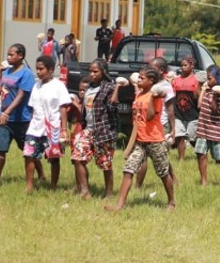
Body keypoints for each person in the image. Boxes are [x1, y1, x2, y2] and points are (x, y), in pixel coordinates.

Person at [106, 66, 176, 211]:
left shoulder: (155, 96)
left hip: (155, 141)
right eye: (139, 77)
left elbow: (150, 116)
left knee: (163, 172)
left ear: (151, 81)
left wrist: (153, 97)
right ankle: (119, 205)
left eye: (142, 78)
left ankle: (171, 202)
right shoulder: (139, 95)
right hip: (140, 141)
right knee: (128, 169)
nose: (138, 80)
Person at [0, 44, 44, 186]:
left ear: (20, 56)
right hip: (5, 120)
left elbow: (21, 96)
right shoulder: (7, 71)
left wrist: (7, 112)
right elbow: (0, 91)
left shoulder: (26, 73)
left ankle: (41, 175)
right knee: (0, 150)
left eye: (11, 54)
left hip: (21, 120)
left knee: (29, 152)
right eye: (7, 54)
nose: (8, 57)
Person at [71, 59, 120, 199]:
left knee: (105, 163)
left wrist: (117, 88)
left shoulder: (108, 87)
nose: (92, 74)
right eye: (90, 71)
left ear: (103, 72)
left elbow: (112, 107)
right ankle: (85, 191)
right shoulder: (89, 88)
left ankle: (109, 193)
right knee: (78, 157)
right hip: (88, 130)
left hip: (103, 131)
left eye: (95, 71)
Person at [23, 56, 71, 192]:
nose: (38, 72)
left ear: (50, 69)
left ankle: (53, 186)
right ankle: (29, 185)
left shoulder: (59, 86)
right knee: (29, 155)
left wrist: (63, 129)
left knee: (53, 157)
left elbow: (63, 108)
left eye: (41, 69)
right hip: (35, 127)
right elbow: (33, 107)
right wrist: (30, 124)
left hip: (53, 128)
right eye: (37, 69)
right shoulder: (36, 86)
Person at [136, 57, 177, 187]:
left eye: (152, 67)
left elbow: (170, 110)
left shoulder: (165, 87)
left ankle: (172, 178)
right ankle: (138, 186)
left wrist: (172, 129)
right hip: (145, 125)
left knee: (160, 157)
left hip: (160, 126)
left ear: (161, 70)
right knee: (142, 157)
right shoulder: (149, 85)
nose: (148, 69)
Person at [195, 65, 220, 186]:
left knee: (219, 158)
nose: (207, 81)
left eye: (210, 78)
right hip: (203, 128)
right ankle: (204, 181)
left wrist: (215, 95)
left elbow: (214, 110)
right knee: (200, 153)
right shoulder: (207, 90)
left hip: (215, 130)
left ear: (217, 79)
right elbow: (199, 105)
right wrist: (201, 88)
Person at [172, 55, 199, 161]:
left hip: (192, 115)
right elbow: (173, 95)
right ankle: (181, 159)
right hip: (179, 114)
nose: (182, 67)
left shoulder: (196, 80)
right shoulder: (176, 80)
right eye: (181, 65)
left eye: (185, 65)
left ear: (192, 66)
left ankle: (200, 153)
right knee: (179, 136)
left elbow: (197, 96)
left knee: (192, 137)